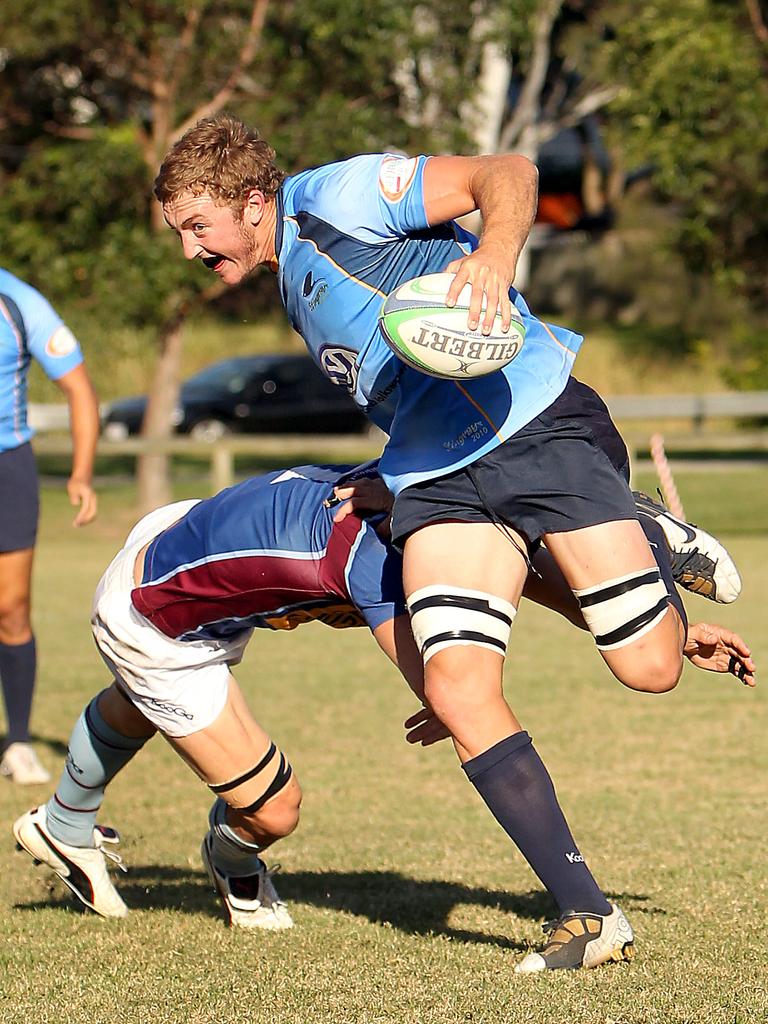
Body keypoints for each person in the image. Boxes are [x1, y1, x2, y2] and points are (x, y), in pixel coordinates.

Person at [153, 115, 743, 970]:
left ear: (252, 203)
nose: (191, 252)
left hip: (534, 428)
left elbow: (506, 170)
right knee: (458, 690)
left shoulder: (335, 197)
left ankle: (644, 528)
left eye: (197, 228)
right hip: (437, 477)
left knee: (648, 668)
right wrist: (388, 473)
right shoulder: (290, 285)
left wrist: (495, 254)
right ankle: (588, 915)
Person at [12, 464, 754, 937]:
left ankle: (66, 819)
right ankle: (227, 857)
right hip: (155, 619)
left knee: (142, 701)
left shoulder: (426, 492)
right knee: (275, 808)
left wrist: (661, 629)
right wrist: (448, 694)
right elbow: (448, 686)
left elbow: (521, 570)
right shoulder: (380, 562)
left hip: (181, 541)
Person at [0, 268, 99, 785]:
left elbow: (79, 389)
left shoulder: (18, 302)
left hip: (7, 469)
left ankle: (17, 741)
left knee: (11, 608)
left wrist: (81, 472)